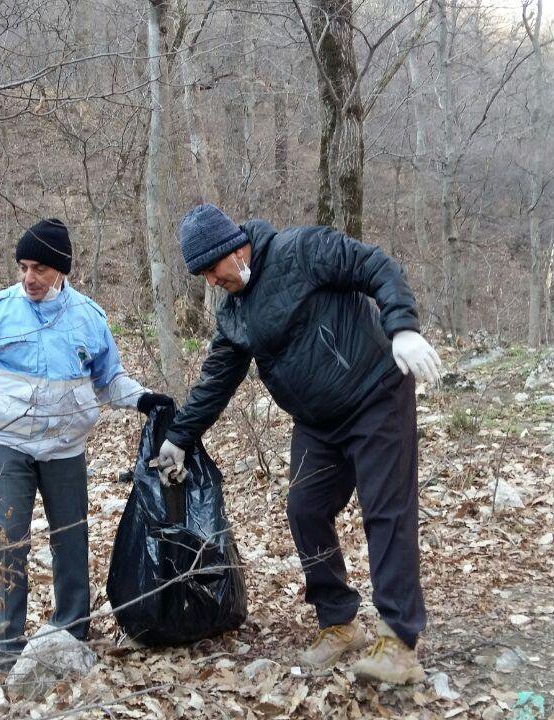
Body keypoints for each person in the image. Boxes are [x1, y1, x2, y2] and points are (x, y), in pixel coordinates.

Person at [154, 204, 442, 684]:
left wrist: (403, 327)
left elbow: (376, 266)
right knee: (305, 509)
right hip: (318, 423)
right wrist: (178, 439)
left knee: (386, 511)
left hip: (377, 394)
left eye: (211, 268)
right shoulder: (234, 316)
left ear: (235, 248)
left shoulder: (302, 250)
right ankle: (339, 622)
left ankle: (398, 641)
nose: (209, 281)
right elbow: (216, 380)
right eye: (200, 273)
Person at [0, 218, 173, 666]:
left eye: (40, 268)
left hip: (65, 447)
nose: (29, 278)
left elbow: (108, 379)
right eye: (23, 267)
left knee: (70, 537)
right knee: (7, 539)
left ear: (61, 269)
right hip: (7, 443)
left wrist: (143, 398)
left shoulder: (88, 317)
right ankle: (6, 647)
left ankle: (71, 633)